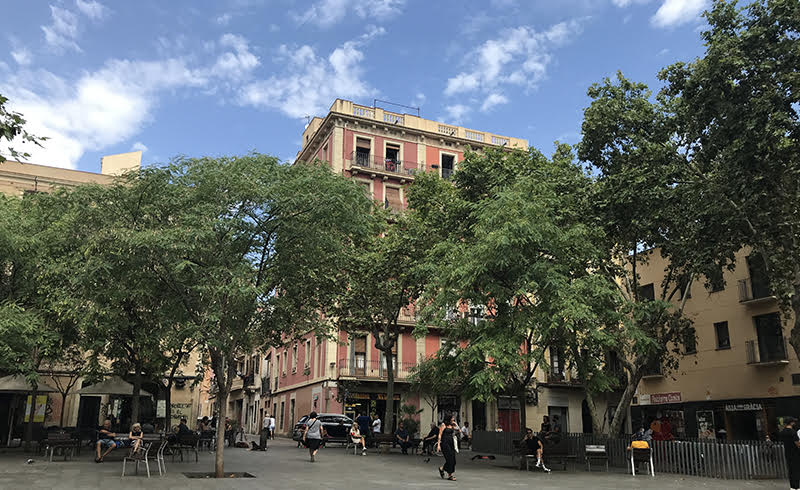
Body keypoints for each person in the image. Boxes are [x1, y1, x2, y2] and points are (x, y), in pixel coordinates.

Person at [437, 413, 459, 481]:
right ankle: (450, 475)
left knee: (453, 460)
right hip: (445, 443)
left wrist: (456, 424)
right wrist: (438, 445)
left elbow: (459, 430)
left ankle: (442, 468)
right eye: (452, 418)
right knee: (449, 459)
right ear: (449, 418)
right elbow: (440, 434)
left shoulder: (451, 425)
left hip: (451, 443)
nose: (453, 419)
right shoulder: (444, 425)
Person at [780, 417, 800, 490]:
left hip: (787, 453)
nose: (794, 423)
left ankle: (792, 486)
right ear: (791, 423)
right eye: (793, 422)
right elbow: (797, 443)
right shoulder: (793, 432)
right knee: (796, 470)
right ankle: (796, 486)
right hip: (795, 453)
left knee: (790, 470)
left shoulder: (783, 432)